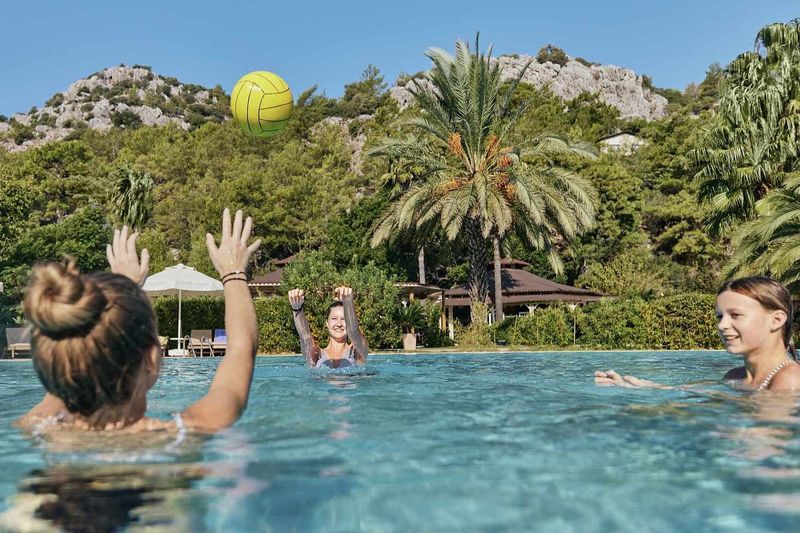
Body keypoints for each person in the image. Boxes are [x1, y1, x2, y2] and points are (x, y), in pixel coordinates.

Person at [16, 208, 261, 433]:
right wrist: (233, 273)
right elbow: (240, 350)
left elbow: (64, 361)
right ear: (152, 359)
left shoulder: (38, 426)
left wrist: (120, 296)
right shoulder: (181, 434)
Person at [594, 276, 800, 392]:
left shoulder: (790, 380)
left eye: (735, 315)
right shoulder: (735, 377)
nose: (722, 325)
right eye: (720, 316)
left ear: (776, 320)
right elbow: (684, 391)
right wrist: (644, 387)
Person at [288, 286, 368, 368]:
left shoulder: (357, 351)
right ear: (327, 323)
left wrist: (348, 303)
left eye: (344, 319)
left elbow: (353, 332)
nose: (339, 324)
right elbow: (305, 337)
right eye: (334, 318)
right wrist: (297, 309)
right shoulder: (317, 355)